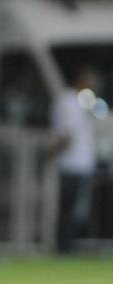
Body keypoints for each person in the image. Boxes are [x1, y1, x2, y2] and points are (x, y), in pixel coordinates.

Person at [48, 65, 98, 254]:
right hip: (70, 164)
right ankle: (64, 247)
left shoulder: (83, 101)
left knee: (76, 210)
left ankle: (70, 244)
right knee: (67, 208)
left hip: (82, 164)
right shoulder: (67, 101)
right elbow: (67, 135)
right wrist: (52, 153)